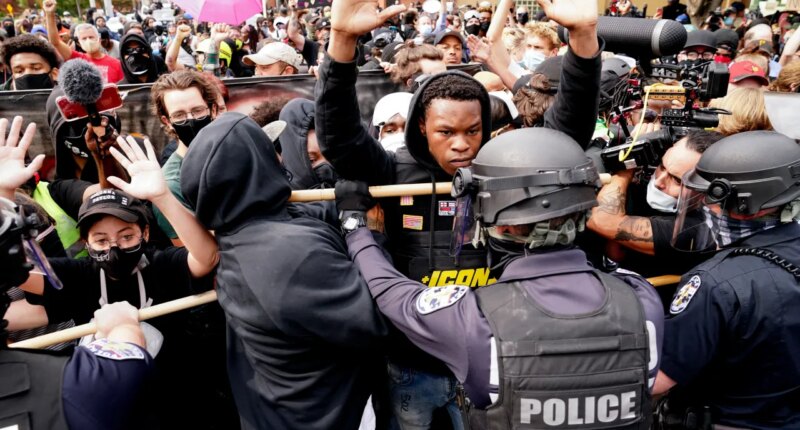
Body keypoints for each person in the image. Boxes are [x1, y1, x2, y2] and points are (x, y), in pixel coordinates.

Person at [318, 0, 602, 426]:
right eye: (445, 132)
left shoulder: (506, 169)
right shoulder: (394, 171)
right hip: (412, 363)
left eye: (472, 131)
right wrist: (341, 42)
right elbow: (340, 139)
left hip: (491, 359)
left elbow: (567, 133)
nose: (460, 145)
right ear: (421, 129)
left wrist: (582, 37)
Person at [339, 127, 663, 429]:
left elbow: (390, 291)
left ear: (504, 225)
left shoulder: (474, 319)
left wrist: (355, 227)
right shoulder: (641, 297)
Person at [179, 112, 388, 429]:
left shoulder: (238, 229)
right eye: (270, 149)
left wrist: (343, 204)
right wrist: (362, 226)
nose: (281, 155)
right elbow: (378, 320)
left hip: (275, 408)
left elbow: (298, 215)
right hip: (328, 413)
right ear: (256, 166)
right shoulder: (292, 255)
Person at [0, 115, 154, 430]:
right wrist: (122, 328)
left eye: (126, 236)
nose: (113, 242)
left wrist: (5, 197)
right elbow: (127, 364)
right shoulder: (83, 385)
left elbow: (106, 198)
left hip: (56, 343)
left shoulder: (49, 195)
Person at [654, 131, 800, 429]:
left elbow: (658, 381)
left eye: (708, 198)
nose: (705, 207)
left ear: (740, 205)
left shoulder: (713, 284)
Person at [149, 70, 222, 245]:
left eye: (197, 111)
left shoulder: (231, 154)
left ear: (212, 110)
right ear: (167, 121)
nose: (191, 120)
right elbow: (194, 251)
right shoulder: (171, 184)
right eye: (179, 115)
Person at [43, 0, 123, 84]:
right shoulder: (77, 59)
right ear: (79, 43)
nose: (88, 40)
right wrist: (49, 14)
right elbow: (55, 42)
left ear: (99, 39)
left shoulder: (116, 64)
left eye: (91, 37)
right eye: (84, 38)